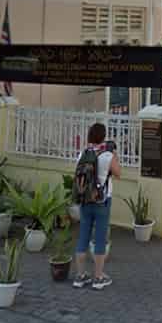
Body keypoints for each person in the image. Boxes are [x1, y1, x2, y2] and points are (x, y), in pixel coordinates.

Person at [71, 121, 120, 291]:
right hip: (102, 201)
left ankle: (80, 276)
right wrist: (114, 155)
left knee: (83, 236)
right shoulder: (107, 156)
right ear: (103, 137)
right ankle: (98, 277)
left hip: (85, 200)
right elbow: (118, 173)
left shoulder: (83, 154)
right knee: (100, 238)